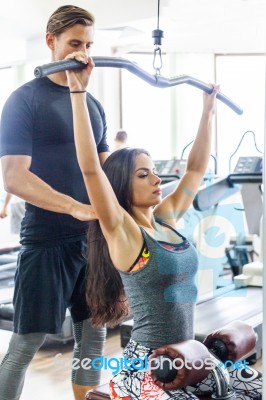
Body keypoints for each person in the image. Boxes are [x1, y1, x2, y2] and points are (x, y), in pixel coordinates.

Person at [65, 53, 262, 399]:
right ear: (124, 186)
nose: (157, 178)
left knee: (248, 389)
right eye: (144, 174)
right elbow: (91, 170)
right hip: (151, 365)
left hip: (190, 356)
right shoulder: (124, 232)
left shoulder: (167, 220)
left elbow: (196, 170)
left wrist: (207, 112)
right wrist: (78, 94)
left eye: (154, 169)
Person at [0, 6, 109, 400]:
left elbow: (103, 170)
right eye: (74, 43)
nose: (83, 53)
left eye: (89, 45)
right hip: (46, 241)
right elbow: (14, 176)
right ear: (52, 42)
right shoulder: (23, 101)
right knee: (25, 346)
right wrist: (74, 206)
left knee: (93, 337)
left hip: (91, 242)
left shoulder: (92, 106)